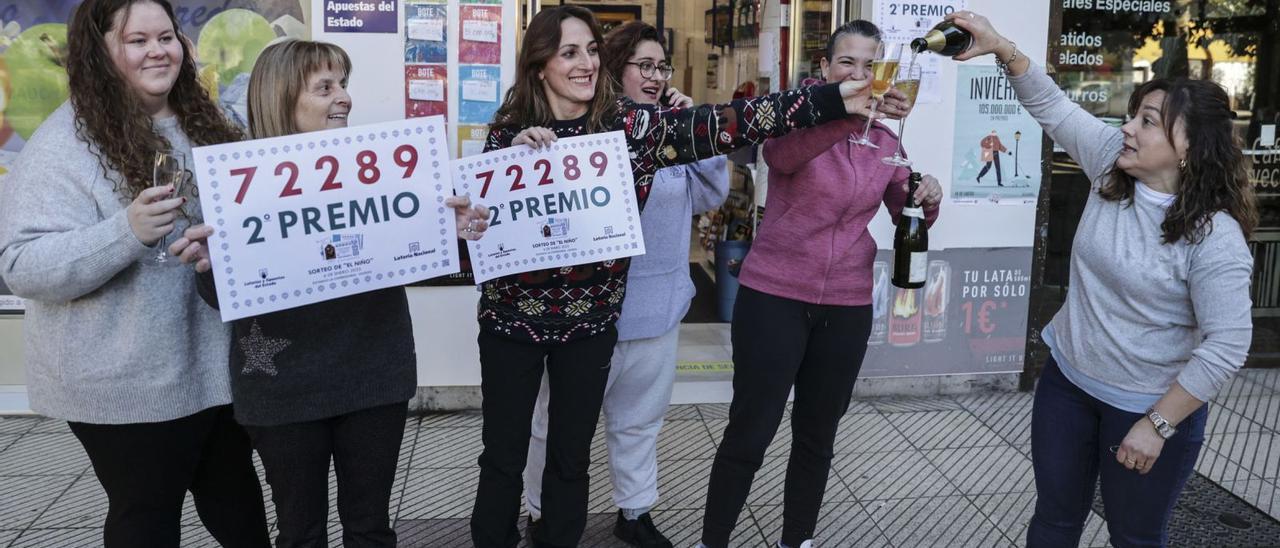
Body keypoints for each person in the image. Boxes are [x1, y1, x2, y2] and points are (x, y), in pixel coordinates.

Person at [470, 6, 879, 548]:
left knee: (571, 459)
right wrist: (501, 179)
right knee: (504, 455)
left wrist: (832, 100)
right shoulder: (507, 132)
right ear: (540, 63)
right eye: (570, 52)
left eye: (592, 50)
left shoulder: (627, 125)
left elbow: (728, 123)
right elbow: (472, 236)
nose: (586, 63)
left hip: (591, 323)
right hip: (512, 322)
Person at [946, 10, 1256, 547]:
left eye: (1147, 122)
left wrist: (1157, 425)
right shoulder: (1112, 164)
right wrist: (1001, 47)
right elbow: (1051, 105)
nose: (1127, 128)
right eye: (1133, 116)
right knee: (1054, 522)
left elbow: (1228, 343)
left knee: (1134, 539)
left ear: (1189, 146)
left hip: (1147, 407)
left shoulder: (1214, 237)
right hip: (1067, 386)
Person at [167, 40, 489, 548]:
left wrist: (454, 231)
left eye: (344, 83)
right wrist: (210, 268)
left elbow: (417, 255)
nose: (344, 97)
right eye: (326, 87)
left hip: (373, 373)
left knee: (370, 528)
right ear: (282, 97)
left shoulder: (380, 172)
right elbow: (219, 296)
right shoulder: (232, 183)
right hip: (282, 388)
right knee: (300, 532)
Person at [0, 1, 270, 546]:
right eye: (136, 40)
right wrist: (126, 231)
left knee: (239, 504)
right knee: (147, 514)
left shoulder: (206, 122)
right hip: (124, 385)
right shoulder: (64, 145)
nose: (157, 51)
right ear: (99, 53)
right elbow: (21, 265)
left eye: (166, 37)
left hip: (211, 369)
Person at [698, 20, 943, 548]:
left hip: (846, 305)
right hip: (774, 297)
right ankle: (712, 539)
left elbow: (907, 213)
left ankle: (797, 539)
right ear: (826, 70)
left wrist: (928, 194)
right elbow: (781, 158)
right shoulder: (798, 115)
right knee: (751, 430)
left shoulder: (884, 137)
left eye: (869, 65)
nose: (858, 73)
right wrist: (849, 112)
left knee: (817, 436)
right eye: (847, 63)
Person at [521, 21, 729, 548]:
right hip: (588, 313)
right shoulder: (590, 133)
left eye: (662, 66)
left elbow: (711, 195)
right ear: (616, 71)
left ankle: (634, 512)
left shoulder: (671, 132)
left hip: (658, 309)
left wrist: (691, 128)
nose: (657, 77)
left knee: (640, 421)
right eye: (645, 66)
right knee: (556, 423)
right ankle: (540, 510)